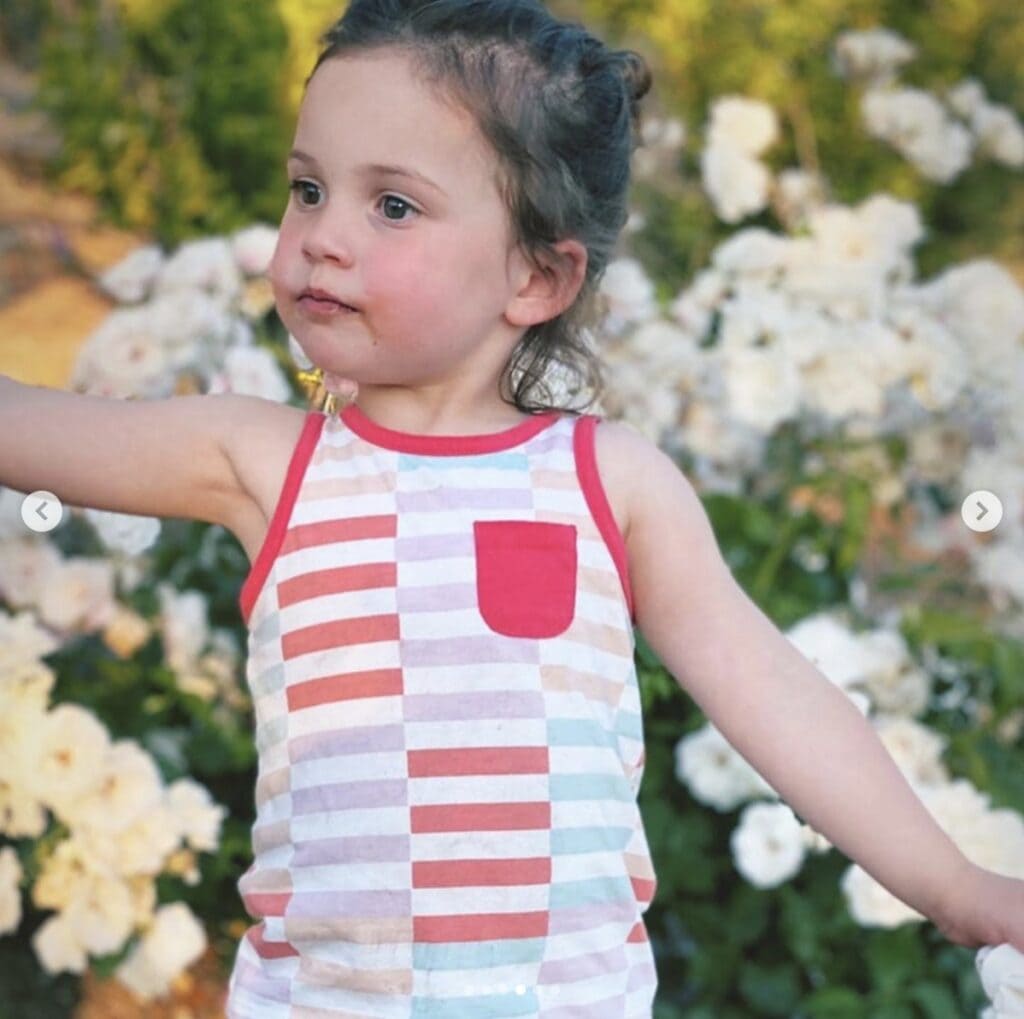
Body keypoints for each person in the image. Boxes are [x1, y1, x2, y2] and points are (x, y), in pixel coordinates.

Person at [1, 1, 1022, 1016]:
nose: (321, 239)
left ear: (536, 274)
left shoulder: (608, 482)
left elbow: (778, 695)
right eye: (307, 189)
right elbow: (31, 431)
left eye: (391, 206)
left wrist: (955, 885)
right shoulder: (263, 461)